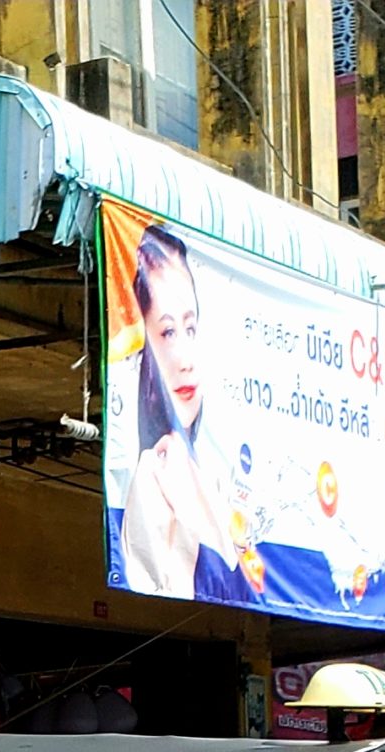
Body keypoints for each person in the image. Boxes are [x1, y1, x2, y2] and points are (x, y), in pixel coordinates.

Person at [116, 224, 246, 602]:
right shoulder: (155, 472)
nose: (187, 361)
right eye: (168, 332)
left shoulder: (205, 470)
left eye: (191, 328)